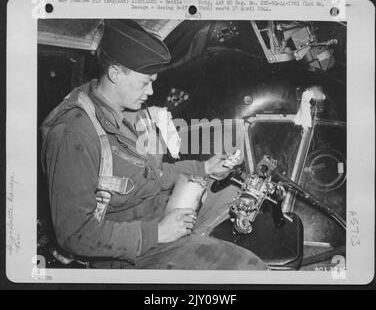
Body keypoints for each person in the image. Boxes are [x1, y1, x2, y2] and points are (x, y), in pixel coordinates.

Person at [41, 19, 268, 270]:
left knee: (240, 194)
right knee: (252, 270)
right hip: (126, 252)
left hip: (158, 213)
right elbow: (74, 234)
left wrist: (205, 169)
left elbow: (154, 175)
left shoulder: (132, 112)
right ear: (115, 73)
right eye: (144, 82)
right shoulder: (74, 133)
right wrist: (157, 233)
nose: (150, 91)